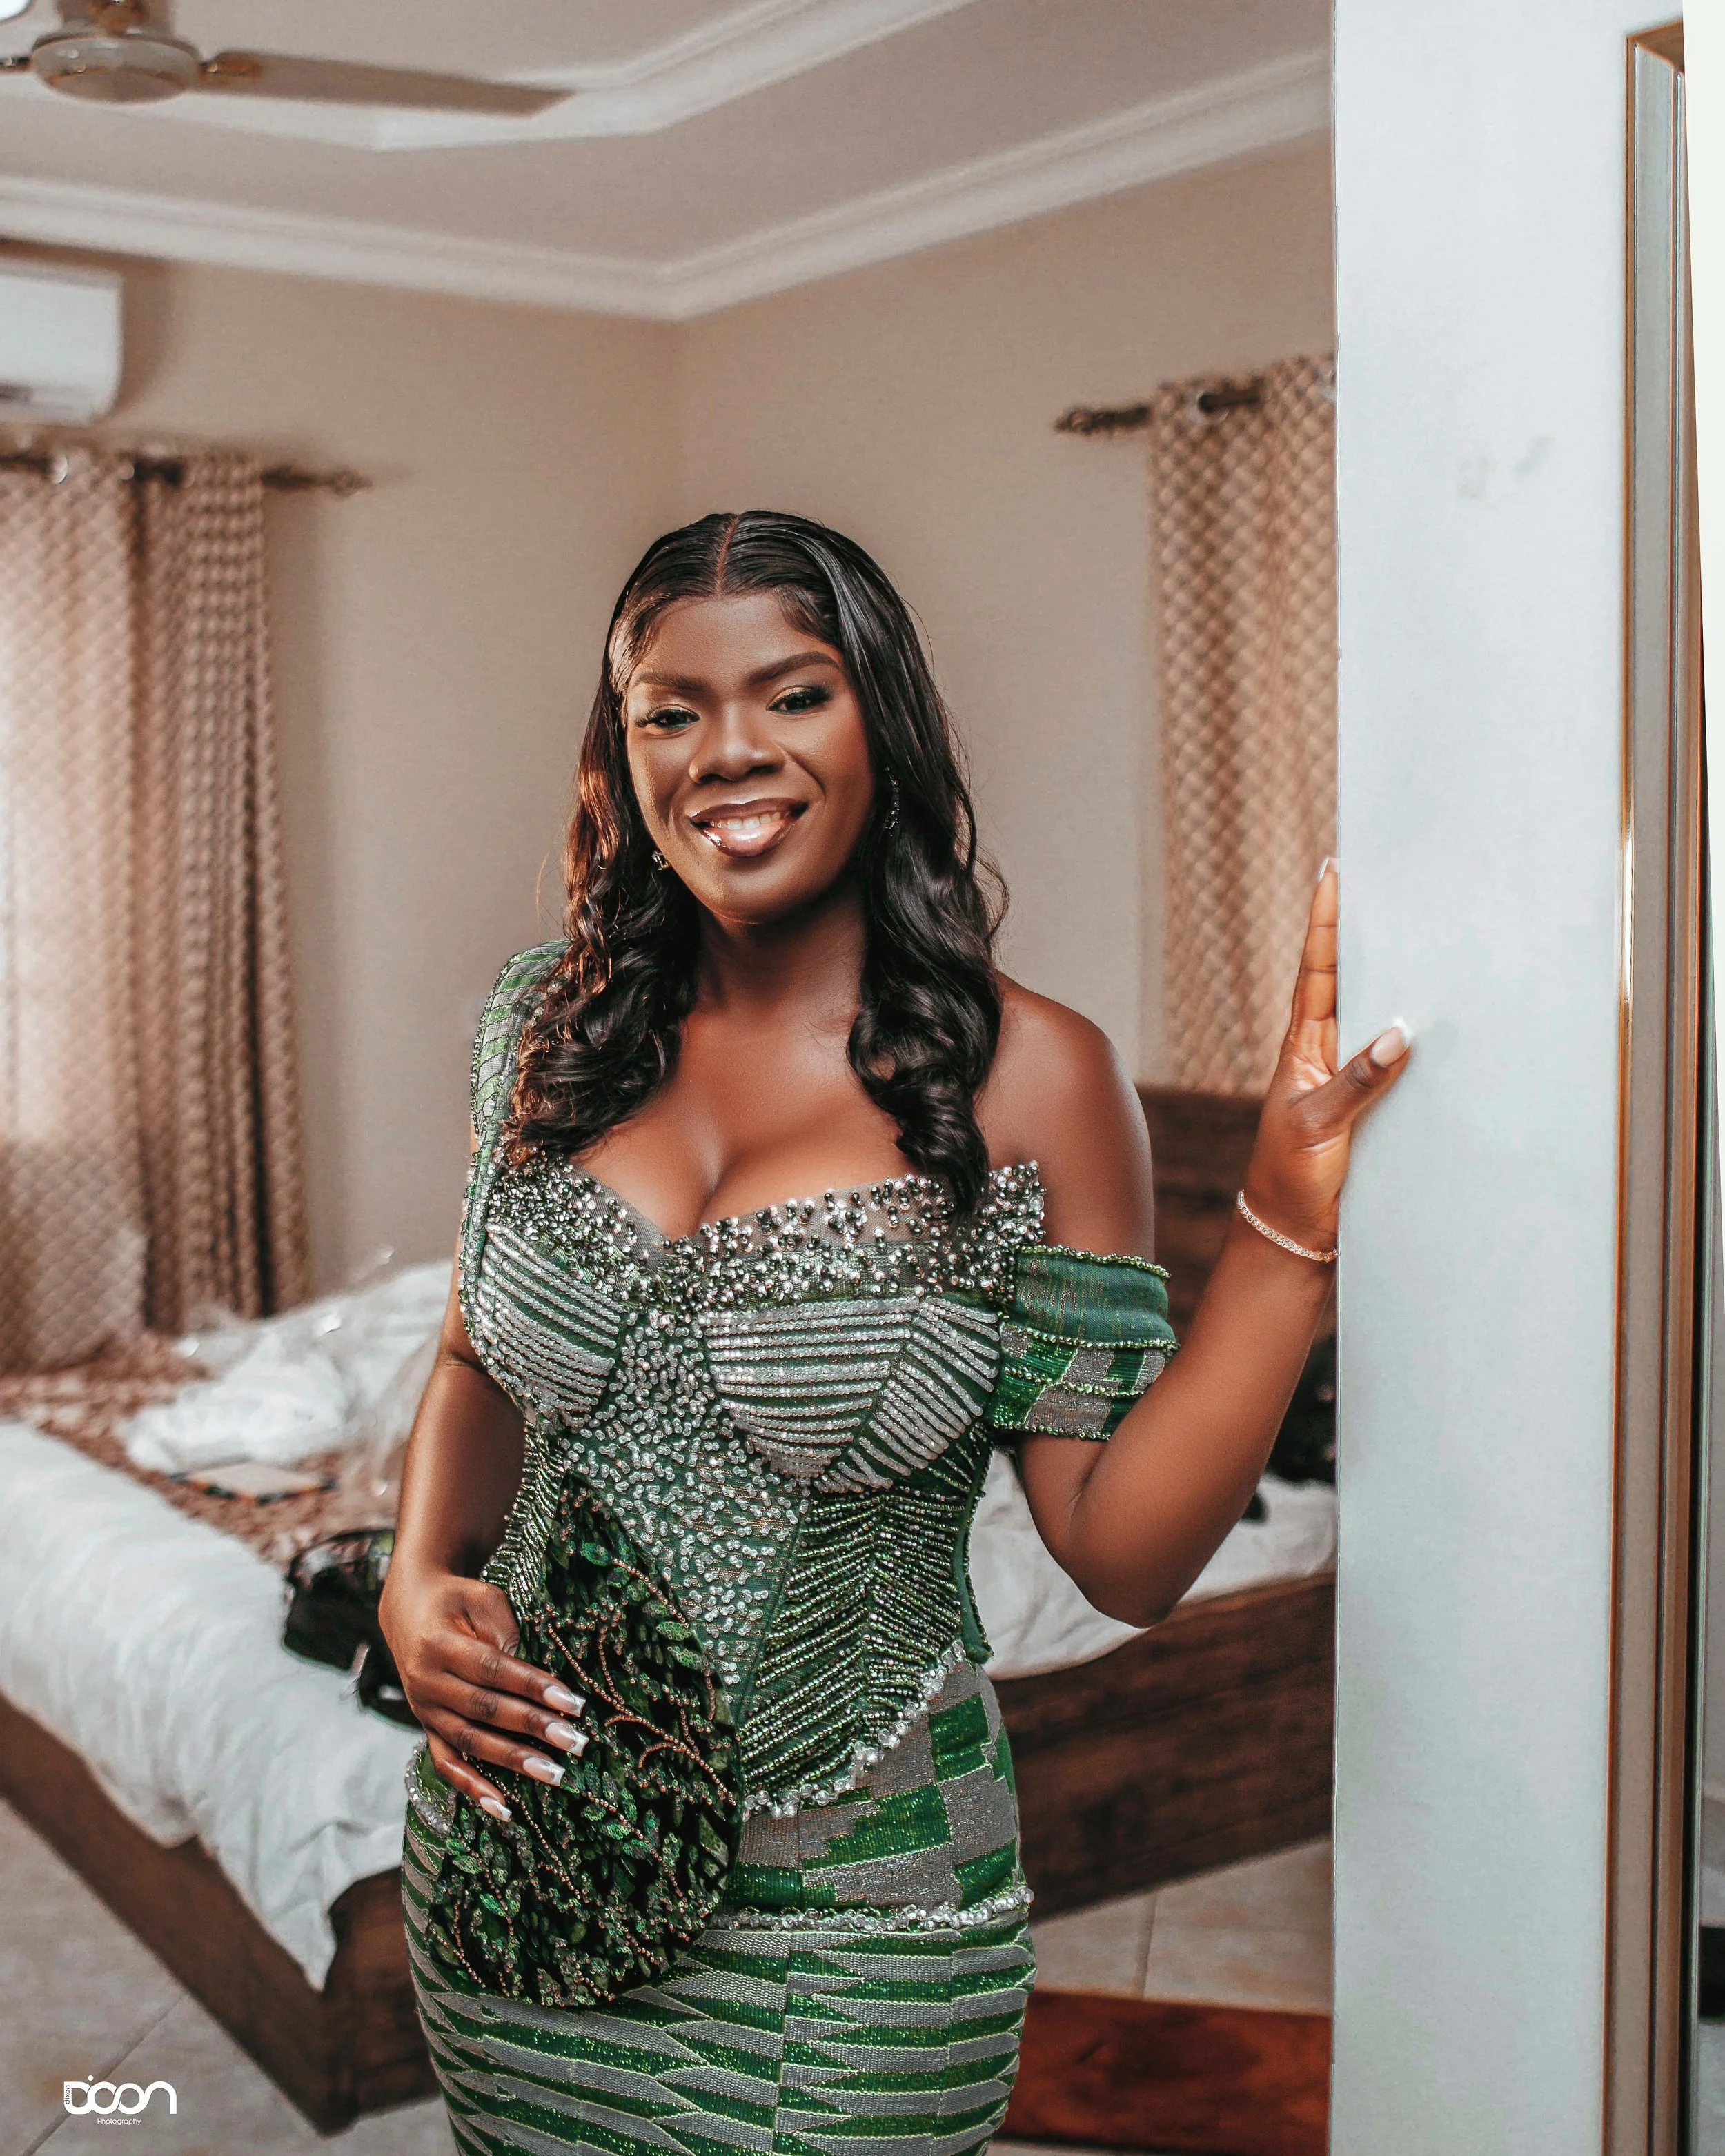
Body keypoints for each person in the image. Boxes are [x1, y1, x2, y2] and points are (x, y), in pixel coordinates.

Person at [379, 510, 1408, 2156]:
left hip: (859, 1933)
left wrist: (1282, 1233)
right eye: (669, 707)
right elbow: (467, 1358)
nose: (727, 752)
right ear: (619, 747)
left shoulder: (1034, 1080)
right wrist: (415, 1570)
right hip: (524, 1885)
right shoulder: (542, 1024)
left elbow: (1121, 1556)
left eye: (791, 694)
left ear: (885, 722)